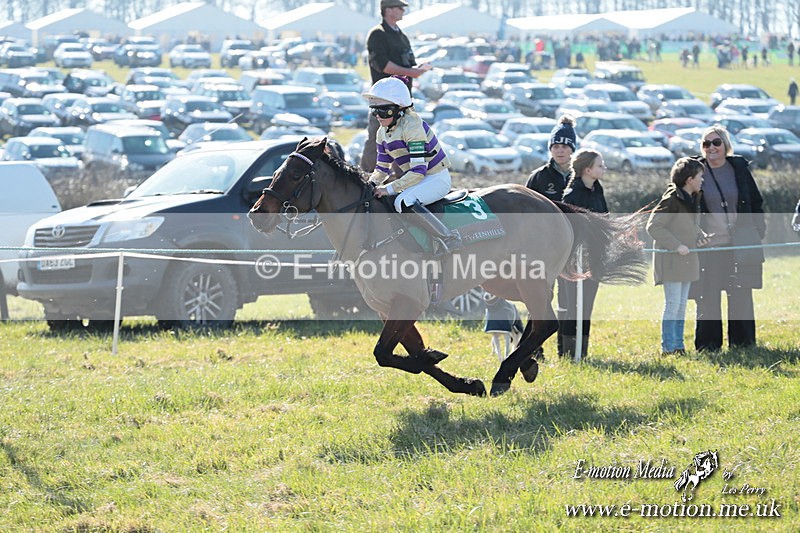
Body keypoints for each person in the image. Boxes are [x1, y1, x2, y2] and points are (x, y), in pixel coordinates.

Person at [362, 76, 462, 255]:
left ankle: (448, 238)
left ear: (400, 110)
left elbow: (418, 172)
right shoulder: (381, 133)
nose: (378, 116)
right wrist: (369, 184)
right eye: (374, 111)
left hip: (436, 178)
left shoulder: (413, 127)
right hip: (417, 179)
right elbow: (382, 169)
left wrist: (388, 189)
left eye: (384, 111)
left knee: (403, 201)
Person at [691, 125, 766, 352]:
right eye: (706, 144)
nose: (711, 148)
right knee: (708, 296)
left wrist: (757, 231)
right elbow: (683, 205)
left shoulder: (739, 168)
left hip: (739, 244)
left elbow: (755, 201)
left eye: (716, 143)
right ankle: (708, 346)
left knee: (741, 294)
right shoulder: (694, 170)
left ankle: (743, 344)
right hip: (710, 246)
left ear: (725, 145)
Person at [646, 158, 710, 356]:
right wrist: (677, 245)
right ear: (689, 179)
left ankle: (678, 346)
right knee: (673, 304)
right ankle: (667, 347)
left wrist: (699, 236)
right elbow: (653, 227)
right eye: (700, 177)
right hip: (672, 260)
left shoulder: (695, 197)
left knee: (682, 305)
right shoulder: (672, 199)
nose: (702, 181)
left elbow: (687, 225)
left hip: (688, 260)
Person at [360, 0, 432, 173]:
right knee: (377, 140)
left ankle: (401, 179)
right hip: (384, 99)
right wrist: (410, 72)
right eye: (400, 8)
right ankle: (366, 178)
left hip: (402, 99)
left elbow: (408, 61)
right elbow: (382, 65)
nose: (403, 11)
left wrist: (417, 69)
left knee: (404, 139)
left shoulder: (401, 35)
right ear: (389, 10)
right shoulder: (378, 34)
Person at [559, 149, 608, 358]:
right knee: (573, 307)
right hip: (574, 261)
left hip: (593, 259)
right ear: (587, 170)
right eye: (600, 165)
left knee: (586, 307)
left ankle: (583, 352)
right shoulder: (572, 195)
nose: (603, 168)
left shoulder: (598, 189)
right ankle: (569, 353)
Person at [525, 115, 576, 203]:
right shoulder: (538, 177)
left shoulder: (582, 176)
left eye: (564, 146)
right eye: (555, 146)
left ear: (572, 149)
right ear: (550, 150)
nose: (560, 151)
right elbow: (525, 207)